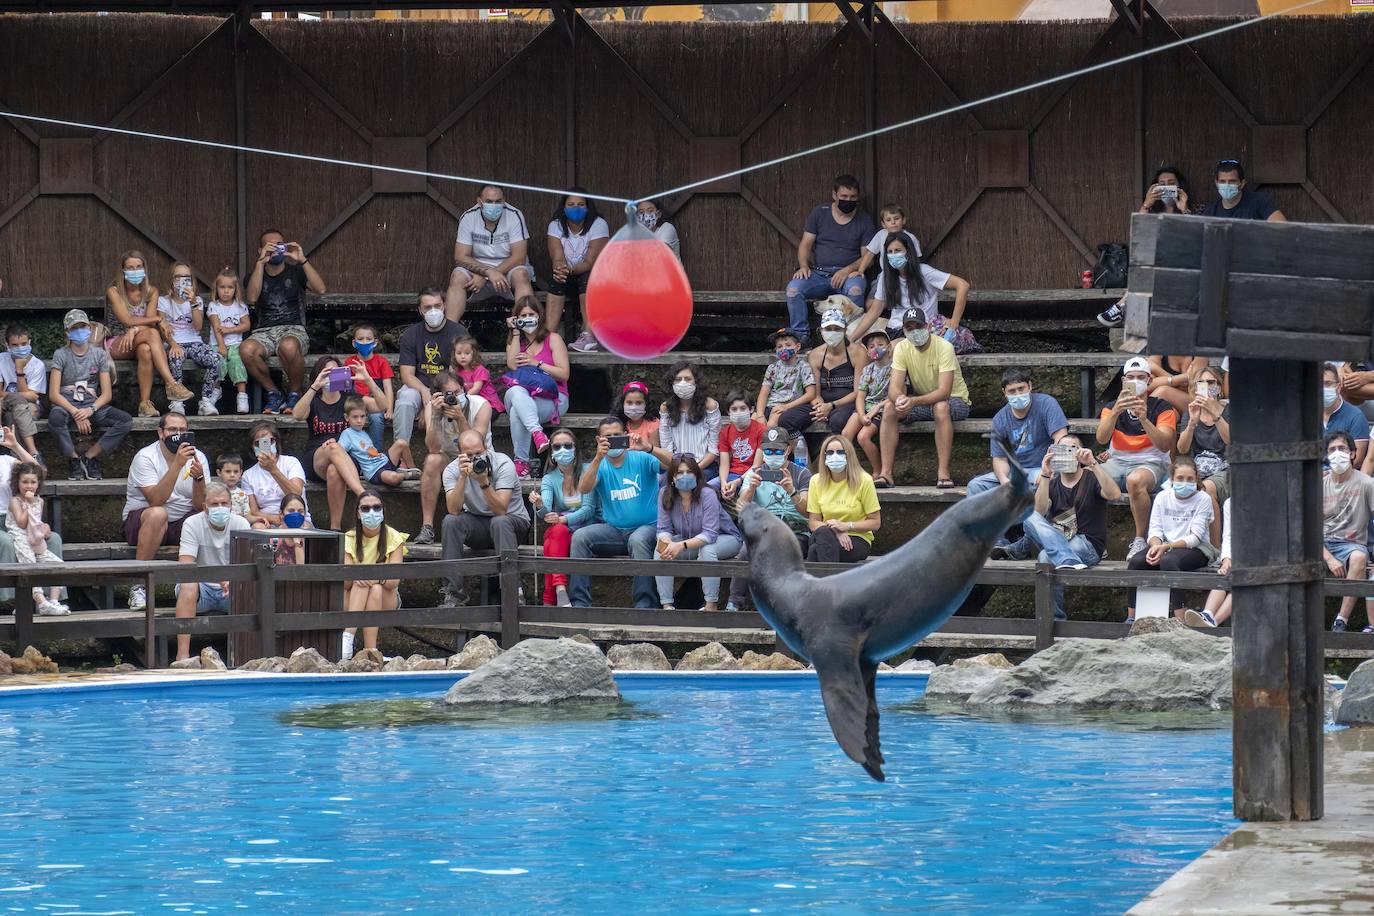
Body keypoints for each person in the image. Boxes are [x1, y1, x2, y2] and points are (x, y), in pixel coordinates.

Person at [1004, 436, 1120, 620]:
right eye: (1061, 449)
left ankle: (1055, 620)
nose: (1066, 453)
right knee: (1030, 516)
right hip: (1061, 539)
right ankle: (1066, 560)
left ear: (1079, 454)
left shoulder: (1091, 477)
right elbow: (1039, 512)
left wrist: (1093, 464)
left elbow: (1114, 494)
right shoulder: (1052, 481)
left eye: (1072, 449)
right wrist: (1045, 475)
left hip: (1087, 544)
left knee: (1044, 557)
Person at [568, 416, 672, 609]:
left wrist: (649, 447)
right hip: (614, 530)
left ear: (625, 435)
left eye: (617, 435)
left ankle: (645, 606)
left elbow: (673, 464)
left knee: (638, 540)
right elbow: (583, 488)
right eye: (608, 437)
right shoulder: (598, 465)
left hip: (648, 528)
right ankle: (579, 605)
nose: (613, 439)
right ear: (599, 440)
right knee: (580, 537)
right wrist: (598, 457)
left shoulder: (640, 457)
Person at [122, 411, 210, 610]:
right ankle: (139, 586)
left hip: (181, 523)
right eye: (172, 430)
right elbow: (156, 500)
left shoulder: (199, 457)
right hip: (143, 521)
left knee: (208, 516)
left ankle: (206, 586)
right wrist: (178, 465)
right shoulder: (145, 457)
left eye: (182, 430)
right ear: (160, 433)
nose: (178, 435)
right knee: (158, 514)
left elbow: (199, 506)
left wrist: (199, 479)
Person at [877, 308, 971, 489]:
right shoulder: (902, 348)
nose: (914, 331)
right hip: (922, 401)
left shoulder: (944, 347)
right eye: (909, 328)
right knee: (889, 408)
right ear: (904, 331)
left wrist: (913, 401)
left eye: (917, 326)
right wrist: (900, 400)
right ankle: (886, 474)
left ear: (927, 327)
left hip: (956, 400)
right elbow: (894, 388)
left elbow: (944, 391)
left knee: (941, 407)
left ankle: (943, 473)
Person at [1095, 355, 1178, 561]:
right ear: (1123, 381)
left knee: (1135, 481)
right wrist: (1116, 411)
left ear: (1149, 381)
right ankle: (1093, 539)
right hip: (1118, 461)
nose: (1135, 381)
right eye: (1130, 377)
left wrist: (1144, 418)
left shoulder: (1162, 407)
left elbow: (1165, 444)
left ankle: (1141, 538)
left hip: (1151, 462)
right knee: (1085, 477)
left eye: (1141, 377)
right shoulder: (1112, 407)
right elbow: (1101, 438)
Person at [725, 427, 815, 611]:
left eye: (777, 451)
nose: (772, 454)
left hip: (795, 531)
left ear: (788, 450)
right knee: (745, 551)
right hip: (763, 531)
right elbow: (740, 509)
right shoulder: (754, 473)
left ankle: (777, 608)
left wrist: (792, 491)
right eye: (768, 451)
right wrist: (750, 489)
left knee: (779, 552)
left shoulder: (801, 474)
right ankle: (734, 602)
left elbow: (807, 512)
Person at [438, 430, 531, 607]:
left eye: (479, 453)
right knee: (450, 522)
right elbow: (453, 509)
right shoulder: (452, 470)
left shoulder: (503, 463)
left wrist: (483, 482)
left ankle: (512, 590)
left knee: (499, 521)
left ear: (486, 448)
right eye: (469, 455)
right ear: (460, 455)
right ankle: (453, 593)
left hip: (512, 523)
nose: (475, 459)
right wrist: (463, 478)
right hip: (479, 525)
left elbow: (501, 509)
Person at [242, 228, 327, 415]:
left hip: (293, 329)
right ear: (261, 249)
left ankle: (295, 393)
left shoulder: (296, 271)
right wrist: (260, 263)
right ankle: (273, 392)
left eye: (279, 244)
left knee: (288, 347)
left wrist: (302, 260)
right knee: (246, 350)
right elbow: (252, 298)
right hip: (263, 332)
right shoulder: (254, 274)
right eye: (270, 245)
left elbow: (320, 289)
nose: (276, 248)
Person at [100, 249, 194, 417]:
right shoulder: (114, 291)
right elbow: (127, 320)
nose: (135, 271)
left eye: (138, 266)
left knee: (146, 350)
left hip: (139, 340)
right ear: (123, 270)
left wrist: (135, 329)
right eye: (130, 267)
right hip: (115, 343)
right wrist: (158, 319)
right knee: (152, 334)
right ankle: (171, 383)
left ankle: (144, 404)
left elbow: (148, 320)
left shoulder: (151, 291)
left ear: (144, 268)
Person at [1098, 165, 1193, 327]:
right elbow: (1139, 235)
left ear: (1179, 186)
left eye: (1171, 183)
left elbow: (1194, 239)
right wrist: (1146, 205)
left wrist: (1184, 209)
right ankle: (1126, 311)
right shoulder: (1153, 212)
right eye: (1161, 183)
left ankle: (1121, 307)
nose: (1165, 187)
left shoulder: (1193, 209)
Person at [784, 174, 875, 341]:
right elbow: (805, 244)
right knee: (793, 289)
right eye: (844, 196)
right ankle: (801, 337)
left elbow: (867, 257)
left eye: (853, 197)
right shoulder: (820, 213)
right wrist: (803, 265)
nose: (849, 200)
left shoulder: (864, 220)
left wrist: (847, 270)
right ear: (834, 195)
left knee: (856, 290)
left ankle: (853, 339)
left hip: (848, 275)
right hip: (818, 273)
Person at [857, 231, 979, 353]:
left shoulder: (923, 272)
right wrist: (851, 339)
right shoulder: (885, 277)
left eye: (898, 250)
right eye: (890, 252)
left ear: (908, 252)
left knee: (896, 350)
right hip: (896, 330)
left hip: (923, 328)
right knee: (872, 351)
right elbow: (874, 311)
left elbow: (962, 285)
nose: (894, 255)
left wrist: (954, 321)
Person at [1126, 457, 1216, 622]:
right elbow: (1155, 529)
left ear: (1196, 479)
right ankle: (1132, 616)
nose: (1185, 482)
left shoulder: (1203, 499)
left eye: (1190, 479)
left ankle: (1180, 618)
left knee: (1168, 561)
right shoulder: (1162, 496)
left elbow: (1195, 538)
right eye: (1180, 478)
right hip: (1166, 546)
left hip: (1197, 549)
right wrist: (1155, 546)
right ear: (1172, 479)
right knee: (1136, 562)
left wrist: (1166, 547)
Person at [48, 309, 133, 482]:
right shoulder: (61, 354)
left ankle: (89, 456)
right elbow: (54, 394)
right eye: (75, 328)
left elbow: (107, 393)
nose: (79, 331)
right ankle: (73, 459)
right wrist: (75, 412)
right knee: (55, 418)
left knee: (125, 420)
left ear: (89, 328)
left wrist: (90, 409)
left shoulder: (99, 354)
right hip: (66, 402)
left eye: (83, 326)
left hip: (91, 402)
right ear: (68, 332)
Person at [413, 371, 494, 546]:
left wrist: (460, 418)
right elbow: (433, 447)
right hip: (449, 458)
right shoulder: (432, 407)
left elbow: (475, 443)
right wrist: (435, 415)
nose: (454, 398)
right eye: (448, 394)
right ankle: (427, 526)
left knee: (473, 455)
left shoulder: (481, 405)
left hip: (479, 457)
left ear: (464, 389)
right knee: (432, 460)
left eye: (457, 392)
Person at [173, 480, 250, 661]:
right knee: (188, 584)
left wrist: (233, 579)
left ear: (231, 505)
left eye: (224, 503)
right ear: (205, 506)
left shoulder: (241, 524)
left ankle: (245, 654)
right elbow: (186, 565)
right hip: (202, 588)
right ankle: (182, 655)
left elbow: (247, 564)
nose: (220, 508)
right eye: (215, 504)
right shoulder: (192, 523)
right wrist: (216, 576)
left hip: (232, 588)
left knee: (251, 586)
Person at [291, 358, 371, 529]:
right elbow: (297, 414)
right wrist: (315, 386)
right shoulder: (313, 399)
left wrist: (368, 380)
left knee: (334, 470)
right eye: (327, 373)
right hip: (316, 457)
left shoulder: (349, 400)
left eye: (335, 372)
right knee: (333, 446)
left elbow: (383, 405)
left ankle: (335, 528)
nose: (331, 377)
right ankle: (363, 494)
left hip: (346, 459)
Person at [655, 455, 742, 611]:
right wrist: (667, 542)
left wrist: (680, 545)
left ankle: (711, 605)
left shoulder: (708, 493)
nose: (685, 476)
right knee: (660, 550)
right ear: (672, 476)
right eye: (680, 472)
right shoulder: (664, 493)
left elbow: (709, 534)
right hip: (689, 541)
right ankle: (667, 605)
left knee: (707, 550)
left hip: (725, 538)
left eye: (689, 472)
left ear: (697, 474)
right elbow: (663, 529)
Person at [394, 288, 469, 469]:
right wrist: (423, 392)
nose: (433, 311)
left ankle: (447, 457)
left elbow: (454, 374)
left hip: (446, 388)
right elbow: (406, 375)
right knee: (404, 399)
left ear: (444, 306)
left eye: (437, 305)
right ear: (420, 310)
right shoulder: (411, 334)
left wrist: (430, 404)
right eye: (428, 307)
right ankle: (400, 455)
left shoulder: (458, 332)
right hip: (418, 386)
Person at [966, 368, 1068, 497]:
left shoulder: (1046, 404)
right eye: (1012, 391)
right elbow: (1000, 459)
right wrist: (1004, 481)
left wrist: (1048, 470)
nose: (1017, 394)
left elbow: (1061, 439)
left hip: (1043, 468)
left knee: (1053, 480)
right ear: (1004, 392)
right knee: (976, 485)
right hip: (1015, 473)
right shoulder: (1000, 419)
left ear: (1030, 386)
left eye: (1021, 388)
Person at [530, 428, 600, 607]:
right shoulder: (549, 478)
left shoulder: (587, 470)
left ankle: (549, 598)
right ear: (552, 452)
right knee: (557, 530)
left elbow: (589, 509)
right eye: (557, 446)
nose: (563, 450)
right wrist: (539, 505)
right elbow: (546, 513)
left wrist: (562, 519)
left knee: (549, 542)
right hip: (563, 530)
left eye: (567, 445)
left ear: (575, 448)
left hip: (588, 527)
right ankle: (560, 588)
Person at [503, 296, 571, 479]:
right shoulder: (515, 341)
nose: (528, 318)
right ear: (516, 319)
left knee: (518, 411)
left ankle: (521, 463)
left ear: (539, 315)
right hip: (523, 396)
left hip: (553, 398)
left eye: (531, 314)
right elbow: (513, 366)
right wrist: (515, 332)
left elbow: (564, 374)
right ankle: (537, 433)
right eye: (523, 315)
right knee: (515, 391)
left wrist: (536, 363)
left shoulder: (553, 339)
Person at [446, 184, 536, 322]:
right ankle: (449, 333)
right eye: (489, 201)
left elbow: (519, 257)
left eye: (498, 201)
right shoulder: (468, 217)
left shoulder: (515, 215)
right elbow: (460, 257)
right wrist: (487, 272)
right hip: (477, 271)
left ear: (504, 200)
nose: (494, 205)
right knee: (457, 276)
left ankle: (527, 329)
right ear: (479, 201)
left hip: (508, 270)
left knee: (522, 275)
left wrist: (489, 275)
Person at [341, 489, 409, 662]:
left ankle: (351, 639)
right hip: (353, 596)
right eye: (365, 508)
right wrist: (361, 577)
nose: (371, 512)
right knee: (361, 583)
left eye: (376, 507)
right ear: (358, 513)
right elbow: (346, 583)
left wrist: (371, 577)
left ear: (383, 510)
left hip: (387, 596)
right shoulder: (348, 538)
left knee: (376, 588)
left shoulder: (394, 537)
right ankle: (368, 649)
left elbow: (393, 581)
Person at [157, 262, 224, 416]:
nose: (182, 280)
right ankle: (177, 401)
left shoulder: (197, 301)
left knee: (215, 358)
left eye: (186, 277)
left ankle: (206, 401)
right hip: (173, 342)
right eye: (178, 277)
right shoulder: (164, 301)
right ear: (171, 280)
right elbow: (162, 326)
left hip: (193, 341)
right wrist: (173, 344)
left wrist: (193, 303)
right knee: (175, 358)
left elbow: (198, 326)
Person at [1323, 431, 1374, 634]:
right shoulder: (1319, 484)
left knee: (1359, 557)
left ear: (1353, 453)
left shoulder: (1366, 483)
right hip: (1321, 544)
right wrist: (1329, 559)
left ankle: (1341, 621)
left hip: (1351, 544)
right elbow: (1309, 530)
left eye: (1342, 449)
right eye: (1332, 450)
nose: (1337, 454)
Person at [548, 189, 610, 348]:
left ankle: (588, 336)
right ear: (564, 207)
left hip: (593, 277)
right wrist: (560, 268)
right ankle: (548, 336)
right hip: (567, 273)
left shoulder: (598, 224)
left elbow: (591, 262)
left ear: (588, 207)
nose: (576, 208)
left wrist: (569, 269)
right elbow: (556, 255)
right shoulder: (555, 225)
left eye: (581, 204)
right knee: (556, 279)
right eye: (571, 204)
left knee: (587, 277)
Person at [1176, 365, 1229, 544]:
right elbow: (1182, 449)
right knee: (1170, 487)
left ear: (1219, 387)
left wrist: (1215, 413)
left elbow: (1232, 441)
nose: (1207, 386)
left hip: (1227, 469)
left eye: (1211, 382)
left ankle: (1216, 547)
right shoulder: (1190, 412)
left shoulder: (1230, 410)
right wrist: (1192, 422)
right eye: (1202, 383)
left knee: (1206, 490)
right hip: (1197, 468)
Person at [6, 461, 68, 616]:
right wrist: (28, 503)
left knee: (59, 565)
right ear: (17, 482)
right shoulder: (15, 501)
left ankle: (53, 601)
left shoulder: (39, 501)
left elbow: (34, 523)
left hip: (34, 540)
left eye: (33, 482)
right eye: (25, 482)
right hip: (19, 538)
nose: (29, 486)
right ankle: (41, 602)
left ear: (38, 484)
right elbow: (21, 522)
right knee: (30, 566)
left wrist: (44, 528)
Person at [807, 435, 880, 563]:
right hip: (826, 534)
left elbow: (875, 523)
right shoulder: (815, 481)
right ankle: (831, 582)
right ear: (824, 456)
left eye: (840, 452)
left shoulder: (864, 480)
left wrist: (846, 526)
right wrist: (836, 530)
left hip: (857, 538)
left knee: (814, 551)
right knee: (823, 534)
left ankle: (824, 582)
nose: (835, 456)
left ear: (849, 455)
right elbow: (813, 522)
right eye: (830, 452)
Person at [808, 308, 867, 438]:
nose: (832, 333)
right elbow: (815, 393)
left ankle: (838, 454)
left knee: (837, 420)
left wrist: (831, 406)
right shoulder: (815, 355)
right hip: (823, 402)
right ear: (821, 331)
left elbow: (859, 391)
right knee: (789, 418)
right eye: (828, 329)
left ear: (845, 330)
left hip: (847, 402)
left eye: (837, 329)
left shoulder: (858, 353)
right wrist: (819, 407)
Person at [754, 329, 816, 453]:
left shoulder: (803, 367)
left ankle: (773, 459)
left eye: (788, 345)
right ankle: (751, 463)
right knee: (753, 421)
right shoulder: (773, 368)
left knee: (771, 425)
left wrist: (786, 406)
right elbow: (764, 393)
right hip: (772, 404)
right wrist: (760, 414)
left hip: (791, 405)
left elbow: (811, 393)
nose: (783, 349)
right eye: (779, 347)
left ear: (797, 347)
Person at [659, 361, 722, 483]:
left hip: (704, 466)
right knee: (662, 483)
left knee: (692, 483)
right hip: (676, 466)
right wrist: (679, 470)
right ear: (671, 383)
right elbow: (667, 446)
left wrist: (694, 470)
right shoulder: (666, 408)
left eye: (688, 379)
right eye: (678, 379)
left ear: (696, 382)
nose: (683, 383)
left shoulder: (710, 406)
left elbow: (714, 449)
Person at [339, 397, 420, 488]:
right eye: (355, 417)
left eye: (362, 416)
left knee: (401, 443)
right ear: (346, 417)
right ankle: (404, 474)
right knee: (394, 478)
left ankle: (414, 471)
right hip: (374, 471)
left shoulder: (363, 433)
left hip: (383, 460)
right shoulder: (347, 434)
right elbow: (339, 451)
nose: (359, 420)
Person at [844, 328, 893, 476]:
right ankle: (849, 472)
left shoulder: (896, 367)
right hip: (865, 408)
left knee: (863, 437)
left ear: (889, 346)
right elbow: (860, 395)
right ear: (867, 352)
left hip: (882, 410)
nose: (876, 348)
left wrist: (875, 409)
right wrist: (860, 414)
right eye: (871, 346)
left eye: (880, 344)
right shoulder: (867, 370)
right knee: (846, 434)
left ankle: (877, 470)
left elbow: (897, 394)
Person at [241, 422, 307, 529]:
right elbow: (253, 511)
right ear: (253, 447)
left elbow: (296, 494)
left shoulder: (291, 462)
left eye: (269, 441)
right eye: (259, 443)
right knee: (258, 527)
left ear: (276, 442)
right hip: (267, 520)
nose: (265, 445)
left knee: (303, 527)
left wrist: (273, 469)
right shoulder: (248, 475)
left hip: (295, 516)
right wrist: (274, 518)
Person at [206, 267, 252, 414]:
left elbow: (246, 325)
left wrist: (230, 330)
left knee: (237, 362)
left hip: (235, 344)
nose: (226, 291)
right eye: (222, 287)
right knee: (216, 362)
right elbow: (216, 326)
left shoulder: (240, 307)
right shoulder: (214, 306)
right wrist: (221, 345)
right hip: (216, 344)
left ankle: (242, 396)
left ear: (235, 289)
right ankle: (214, 393)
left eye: (230, 287)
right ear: (216, 289)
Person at [341, 323, 394, 449]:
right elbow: (345, 387)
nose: (364, 342)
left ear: (375, 342)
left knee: (376, 418)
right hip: (356, 402)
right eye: (360, 339)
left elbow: (388, 388)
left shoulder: (382, 362)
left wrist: (390, 408)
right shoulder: (350, 362)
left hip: (376, 403)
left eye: (368, 339)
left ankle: (376, 453)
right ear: (354, 343)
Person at [0, 322, 45, 463]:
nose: (20, 348)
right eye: (15, 345)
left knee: (12, 416)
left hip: (30, 406)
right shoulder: (1, 359)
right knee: (15, 404)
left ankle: (16, 462)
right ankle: (33, 454)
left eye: (24, 344)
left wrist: (19, 372)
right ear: (7, 345)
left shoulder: (37, 365)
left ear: (29, 342)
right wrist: (14, 396)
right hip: (4, 403)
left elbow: (32, 397)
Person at [1186, 497, 1232, 629]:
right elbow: (1228, 536)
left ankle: (1214, 622)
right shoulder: (1230, 503)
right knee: (1223, 575)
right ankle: (1208, 615)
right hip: (1238, 556)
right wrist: (1227, 559)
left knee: (1241, 581)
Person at [1200, 158, 1286, 222]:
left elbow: (1281, 226)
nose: (1227, 185)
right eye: (1222, 181)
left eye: (1232, 181)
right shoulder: (1210, 212)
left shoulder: (1259, 201)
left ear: (1242, 183)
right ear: (1216, 183)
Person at [717, 390, 765, 498]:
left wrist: (738, 481)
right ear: (728, 412)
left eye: (743, 408)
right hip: (732, 475)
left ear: (751, 409)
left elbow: (757, 465)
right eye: (734, 409)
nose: (738, 412)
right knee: (708, 490)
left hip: (754, 475)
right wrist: (723, 483)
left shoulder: (761, 430)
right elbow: (724, 464)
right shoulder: (725, 432)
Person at [854, 203, 922, 280]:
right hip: (886, 275)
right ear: (883, 224)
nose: (893, 222)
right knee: (875, 291)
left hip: (907, 276)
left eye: (896, 218)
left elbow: (917, 259)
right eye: (888, 220)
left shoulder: (911, 237)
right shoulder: (881, 235)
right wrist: (860, 271)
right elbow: (870, 253)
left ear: (903, 220)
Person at [1323, 363, 1370, 468]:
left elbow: (1357, 460)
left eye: (1328, 384)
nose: (1323, 389)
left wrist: (1330, 474)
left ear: (1338, 387)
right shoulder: (1306, 416)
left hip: (1343, 477)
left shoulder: (1356, 417)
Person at [450, 336, 501, 427]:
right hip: (470, 404)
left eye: (467, 353)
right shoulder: (457, 371)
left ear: (473, 354)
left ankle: (480, 438)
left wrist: (461, 399)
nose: (462, 356)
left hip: (489, 404)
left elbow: (476, 388)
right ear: (454, 355)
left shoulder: (479, 369)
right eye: (459, 353)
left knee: (478, 421)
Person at [1144, 354, 1209, 414]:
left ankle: (1140, 421)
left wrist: (1157, 370)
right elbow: (1148, 385)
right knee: (1169, 411)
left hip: (1197, 402)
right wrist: (1179, 379)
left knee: (1163, 391)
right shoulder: (1160, 350)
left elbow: (1193, 387)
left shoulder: (1200, 355)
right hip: (1171, 406)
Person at [612, 380, 660, 447]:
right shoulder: (616, 423)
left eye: (638, 403)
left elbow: (655, 452)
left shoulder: (653, 423)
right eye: (629, 402)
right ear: (622, 404)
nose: (633, 407)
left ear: (647, 404)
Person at [216, 453, 252, 520]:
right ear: (219, 473)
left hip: (238, 527)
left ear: (241, 473)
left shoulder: (242, 494)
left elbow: (247, 516)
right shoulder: (214, 492)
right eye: (228, 471)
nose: (232, 475)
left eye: (236, 472)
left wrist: (259, 519)